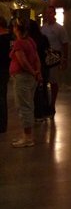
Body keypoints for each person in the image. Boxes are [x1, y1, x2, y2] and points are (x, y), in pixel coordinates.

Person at [10, 17, 42, 148]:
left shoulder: (19, 43)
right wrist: (37, 72)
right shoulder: (30, 41)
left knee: (23, 106)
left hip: (22, 78)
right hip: (30, 78)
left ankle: (28, 137)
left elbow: (23, 62)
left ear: (17, 29)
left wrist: (33, 72)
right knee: (29, 105)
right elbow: (36, 59)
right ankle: (26, 135)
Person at [41, 5, 69, 115]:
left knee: (53, 81)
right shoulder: (43, 28)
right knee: (44, 81)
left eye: (50, 13)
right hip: (44, 57)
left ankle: (52, 104)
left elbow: (65, 44)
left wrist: (65, 59)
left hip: (55, 58)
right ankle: (45, 103)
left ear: (54, 14)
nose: (48, 15)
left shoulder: (59, 28)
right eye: (47, 13)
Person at [29, 19, 52, 119]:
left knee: (34, 91)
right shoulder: (43, 38)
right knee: (43, 90)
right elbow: (48, 51)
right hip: (44, 65)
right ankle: (46, 111)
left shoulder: (29, 40)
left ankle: (37, 112)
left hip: (33, 66)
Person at [0, 16, 12, 133]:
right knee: (3, 95)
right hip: (6, 69)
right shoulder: (10, 38)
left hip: (1, 69)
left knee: (1, 97)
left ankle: (1, 124)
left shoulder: (2, 39)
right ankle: (3, 124)